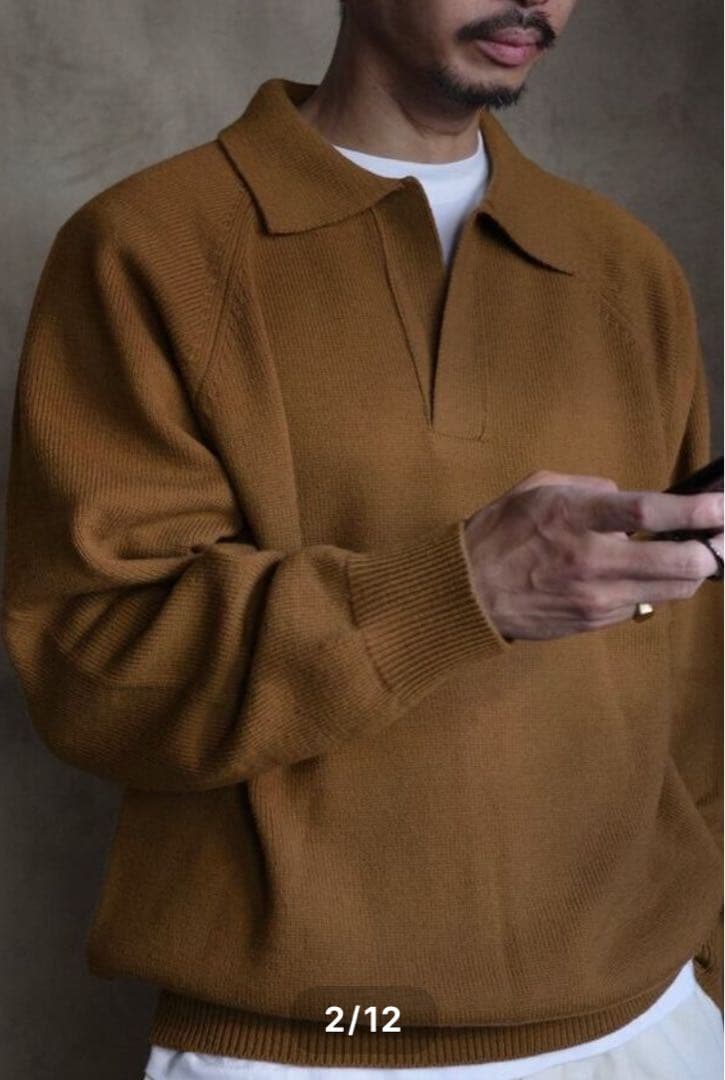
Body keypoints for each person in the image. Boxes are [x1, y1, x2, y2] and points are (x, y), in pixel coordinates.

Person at [2, 1, 723, 1077]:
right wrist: (454, 590)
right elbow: (94, 668)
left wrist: (707, 976)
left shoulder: (627, 269)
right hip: (316, 1043)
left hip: (648, 1026)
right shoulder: (147, 246)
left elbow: (694, 682)